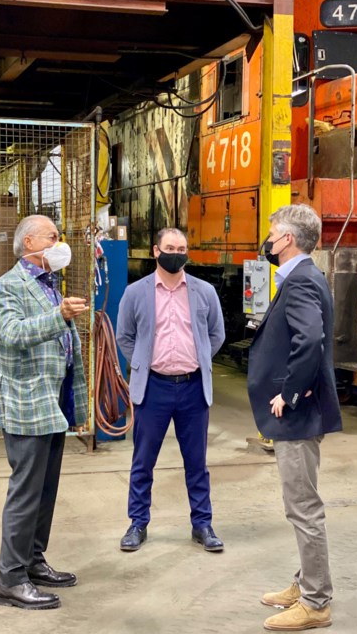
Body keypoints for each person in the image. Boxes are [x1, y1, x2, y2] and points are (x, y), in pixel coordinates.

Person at [246, 204, 343, 631]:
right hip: (301, 410)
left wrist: (288, 392)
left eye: (271, 232)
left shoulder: (301, 280)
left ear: (286, 239)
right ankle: (305, 584)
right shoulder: (305, 276)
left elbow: (310, 341)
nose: (267, 238)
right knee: (299, 503)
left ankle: (316, 602)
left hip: (298, 413)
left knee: (303, 507)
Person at [0, 214, 90, 610]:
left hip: (51, 403)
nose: (59, 242)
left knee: (45, 493)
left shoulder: (48, 286)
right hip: (26, 405)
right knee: (26, 493)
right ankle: (9, 580)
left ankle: (32, 560)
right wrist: (59, 316)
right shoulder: (8, 286)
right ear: (30, 243)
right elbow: (11, 335)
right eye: (53, 236)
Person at [115, 227, 226, 552]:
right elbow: (125, 336)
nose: (176, 252)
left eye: (182, 247)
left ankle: (202, 524)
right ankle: (137, 523)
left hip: (193, 389)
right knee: (143, 461)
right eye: (170, 247)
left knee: (197, 463)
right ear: (155, 251)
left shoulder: (204, 292)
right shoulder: (136, 293)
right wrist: (143, 364)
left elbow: (216, 334)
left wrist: (199, 359)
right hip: (154, 389)